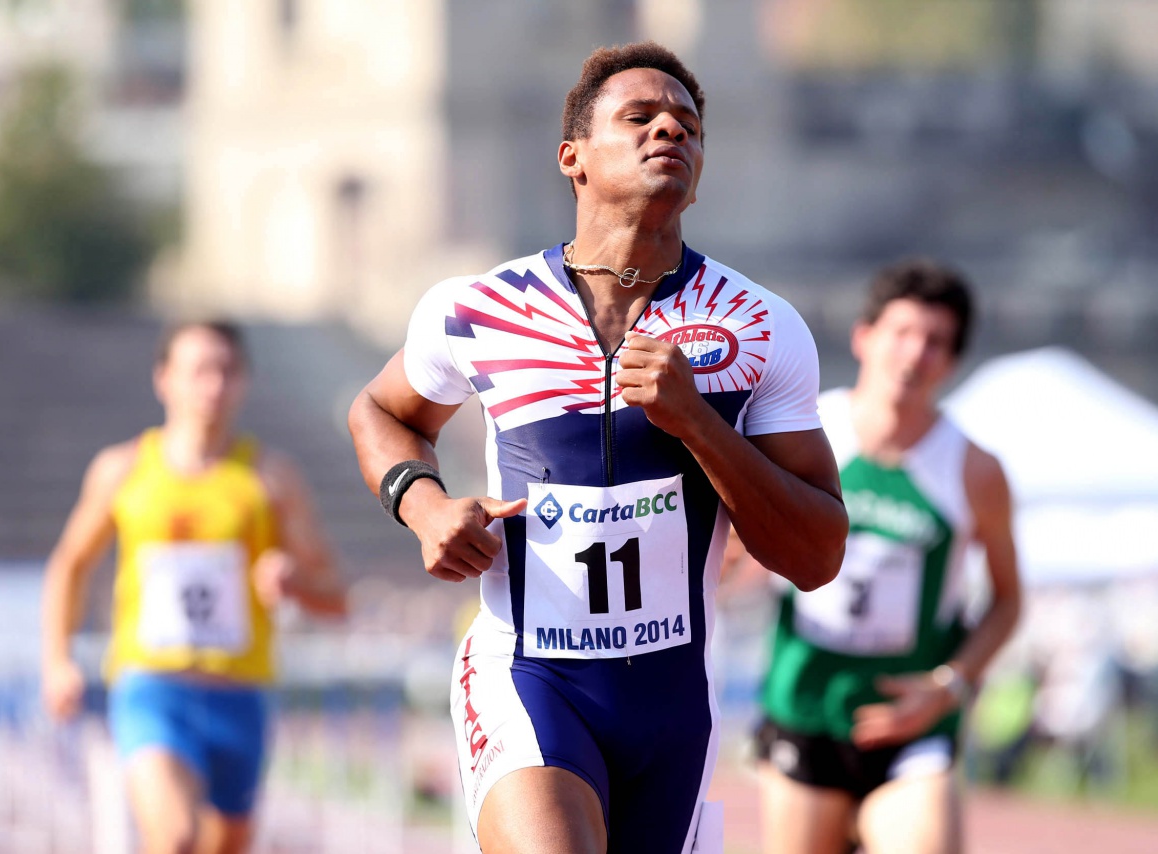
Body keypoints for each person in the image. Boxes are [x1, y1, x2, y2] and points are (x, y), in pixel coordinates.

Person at [348, 41, 848, 854]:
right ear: (572, 157)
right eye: (639, 117)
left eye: (687, 125)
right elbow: (379, 410)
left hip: (674, 699)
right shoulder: (479, 308)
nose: (669, 132)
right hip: (530, 674)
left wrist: (698, 423)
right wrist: (422, 502)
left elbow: (817, 554)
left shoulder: (760, 325)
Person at [41, 320, 347, 854]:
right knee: (175, 838)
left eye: (227, 371)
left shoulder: (271, 478)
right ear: (164, 379)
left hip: (241, 695)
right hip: (151, 687)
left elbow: (337, 597)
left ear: (244, 381)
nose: (214, 386)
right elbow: (70, 564)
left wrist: (294, 583)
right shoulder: (123, 470)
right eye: (200, 371)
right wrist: (56, 661)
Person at [753, 260, 1022, 854]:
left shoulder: (974, 469)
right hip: (806, 711)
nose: (915, 354)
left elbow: (1008, 602)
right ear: (864, 337)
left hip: (912, 725)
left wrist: (949, 686)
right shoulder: (801, 430)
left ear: (951, 362)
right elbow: (744, 547)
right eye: (903, 333)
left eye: (935, 342)